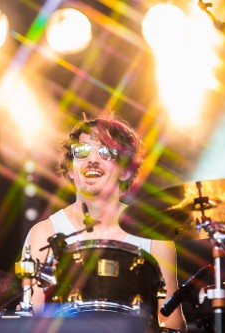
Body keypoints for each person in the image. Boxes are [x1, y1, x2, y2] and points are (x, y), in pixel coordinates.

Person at [23, 116, 187, 332]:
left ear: (126, 170)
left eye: (106, 152)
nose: (92, 159)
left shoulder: (154, 237)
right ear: (71, 169)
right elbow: (31, 318)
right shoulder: (43, 234)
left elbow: (171, 321)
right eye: (82, 151)